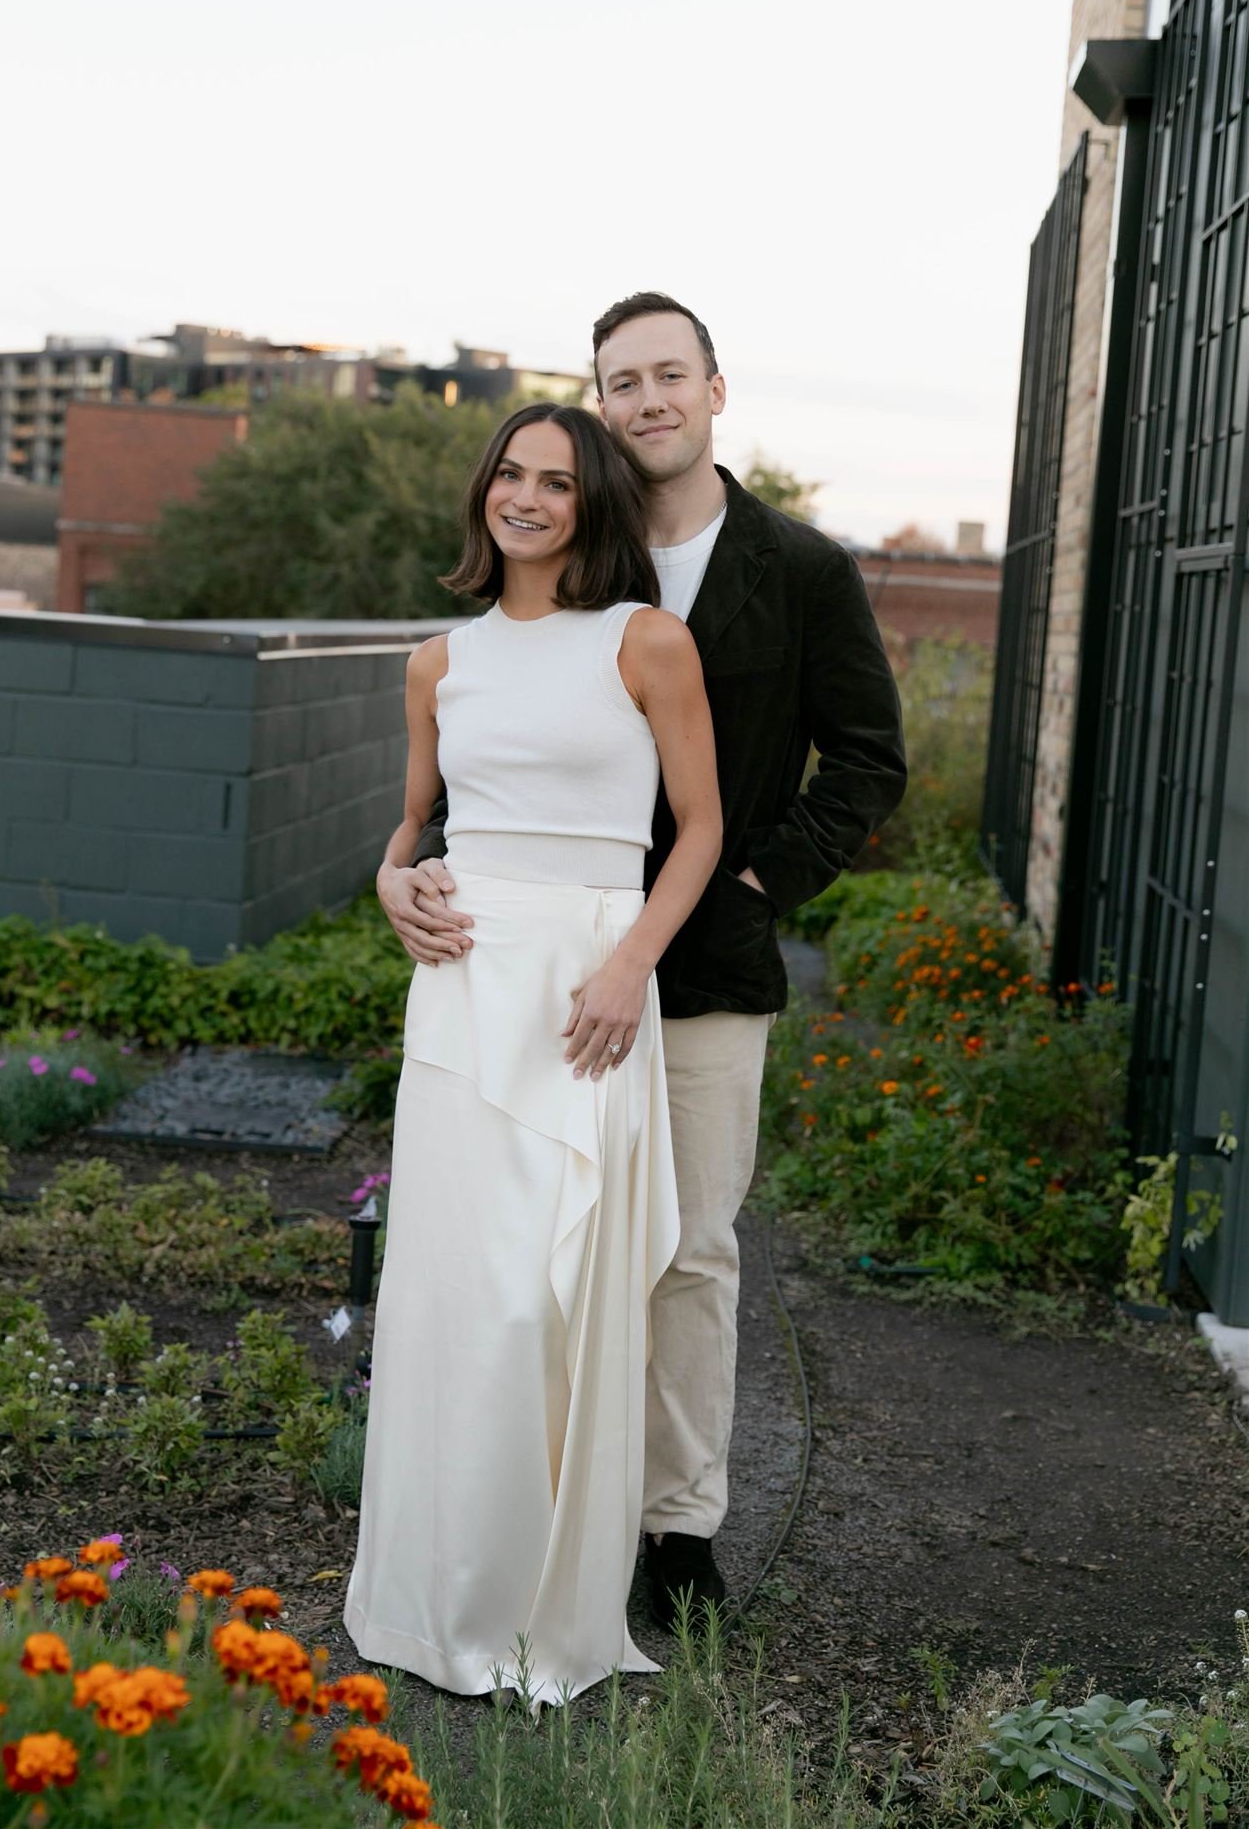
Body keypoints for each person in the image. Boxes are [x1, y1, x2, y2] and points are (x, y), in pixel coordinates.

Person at [381, 293, 907, 1631]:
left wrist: (756, 879)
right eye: (622, 382)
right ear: (597, 402)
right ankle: (537, 1502)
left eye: (670, 375)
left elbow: (867, 761)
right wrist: (415, 865)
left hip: (707, 966)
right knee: (531, 1241)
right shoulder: (567, 554)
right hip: (539, 959)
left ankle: (674, 1529)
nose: (647, 401)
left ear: (717, 391)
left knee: (684, 1249)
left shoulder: (798, 568)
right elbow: (490, 751)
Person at [344, 400, 722, 1704]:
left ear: (590, 505)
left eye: (558, 482)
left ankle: (543, 1606)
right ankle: (436, 1593)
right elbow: (413, 830)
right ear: (483, 493)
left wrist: (628, 967)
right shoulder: (437, 661)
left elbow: (702, 831)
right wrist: (392, 886)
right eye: (511, 474)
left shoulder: (647, 642)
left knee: (548, 1299)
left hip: (589, 994)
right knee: (459, 1298)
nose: (529, 498)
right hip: (462, 995)